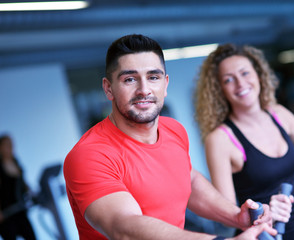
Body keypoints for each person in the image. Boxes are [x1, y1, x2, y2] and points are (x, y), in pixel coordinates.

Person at [63, 34, 276, 240]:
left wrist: (236, 216)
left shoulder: (173, 130)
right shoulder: (89, 155)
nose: (144, 89)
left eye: (153, 77)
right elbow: (124, 228)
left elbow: (189, 180)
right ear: (108, 89)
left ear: (165, 84)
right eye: (130, 79)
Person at [193, 43, 294, 240]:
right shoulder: (220, 139)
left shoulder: (279, 115)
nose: (240, 83)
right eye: (229, 79)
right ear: (219, 89)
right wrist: (262, 213)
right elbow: (225, 214)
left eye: (245, 73)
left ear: (258, 74)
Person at [0, 134, 36, 240]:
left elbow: (22, 183)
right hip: (6, 214)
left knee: (31, 236)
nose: (10, 147)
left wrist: (31, 192)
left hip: (20, 211)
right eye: (7, 145)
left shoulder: (16, 163)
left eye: (11, 144)